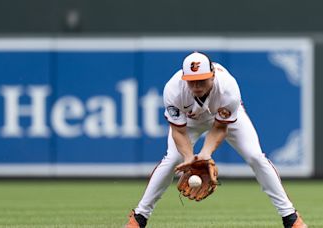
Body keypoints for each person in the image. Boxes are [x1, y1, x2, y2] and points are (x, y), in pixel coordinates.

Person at [126, 52, 307, 228]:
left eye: (202, 80)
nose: (197, 86)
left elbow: (220, 128)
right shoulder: (173, 90)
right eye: (192, 81)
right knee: (172, 159)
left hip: (222, 118)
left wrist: (205, 154)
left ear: (212, 75)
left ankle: (290, 217)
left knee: (255, 157)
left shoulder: (228, 88)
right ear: (184, 79)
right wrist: (189, 157)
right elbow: (179, 131)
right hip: (189, 122)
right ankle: (140, 217)